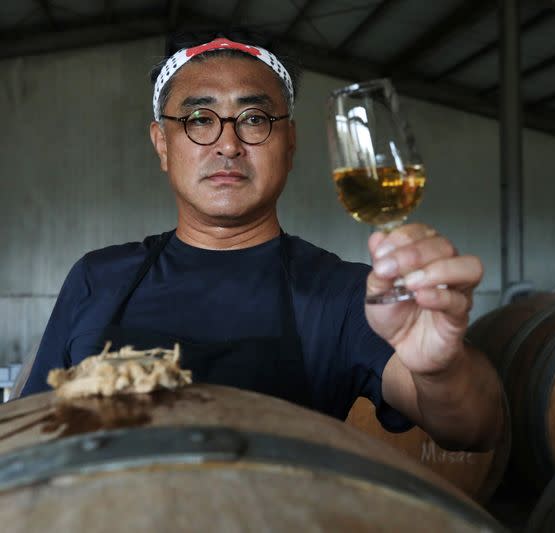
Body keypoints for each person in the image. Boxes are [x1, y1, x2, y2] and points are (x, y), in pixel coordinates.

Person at [20, 31, 505, 451]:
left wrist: (440, 369)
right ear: (162, 144)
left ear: (289, 143)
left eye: (254, 119)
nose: (228, 144)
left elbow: (472, 427)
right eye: (199, 119)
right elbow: (32, 428)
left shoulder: (346, 294)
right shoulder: (98, 277)